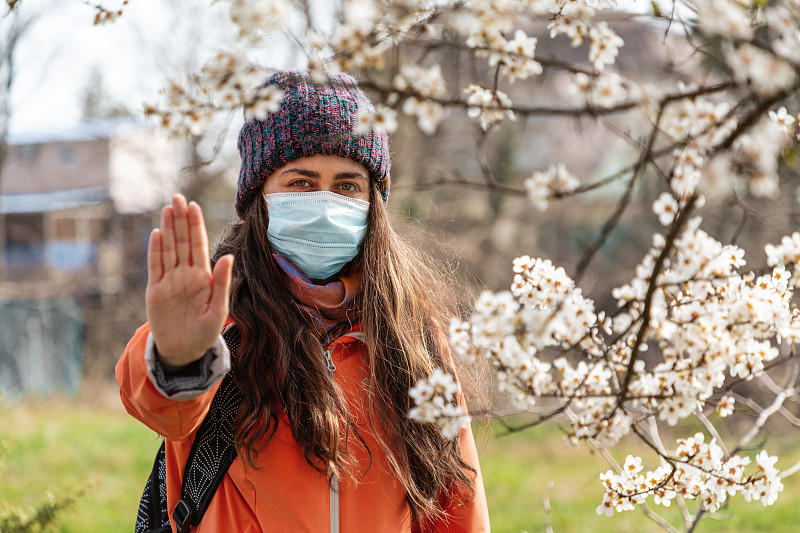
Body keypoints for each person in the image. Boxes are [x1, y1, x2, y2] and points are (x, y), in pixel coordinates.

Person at [116, 70, 490, 532]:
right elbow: (163, 410)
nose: (326, 203)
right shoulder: (221, 321)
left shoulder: (412, 337)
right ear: (260, 197)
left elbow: (456, 504)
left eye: (348, 185)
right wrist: (178, 358)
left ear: (374, 202)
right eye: (301, 182)